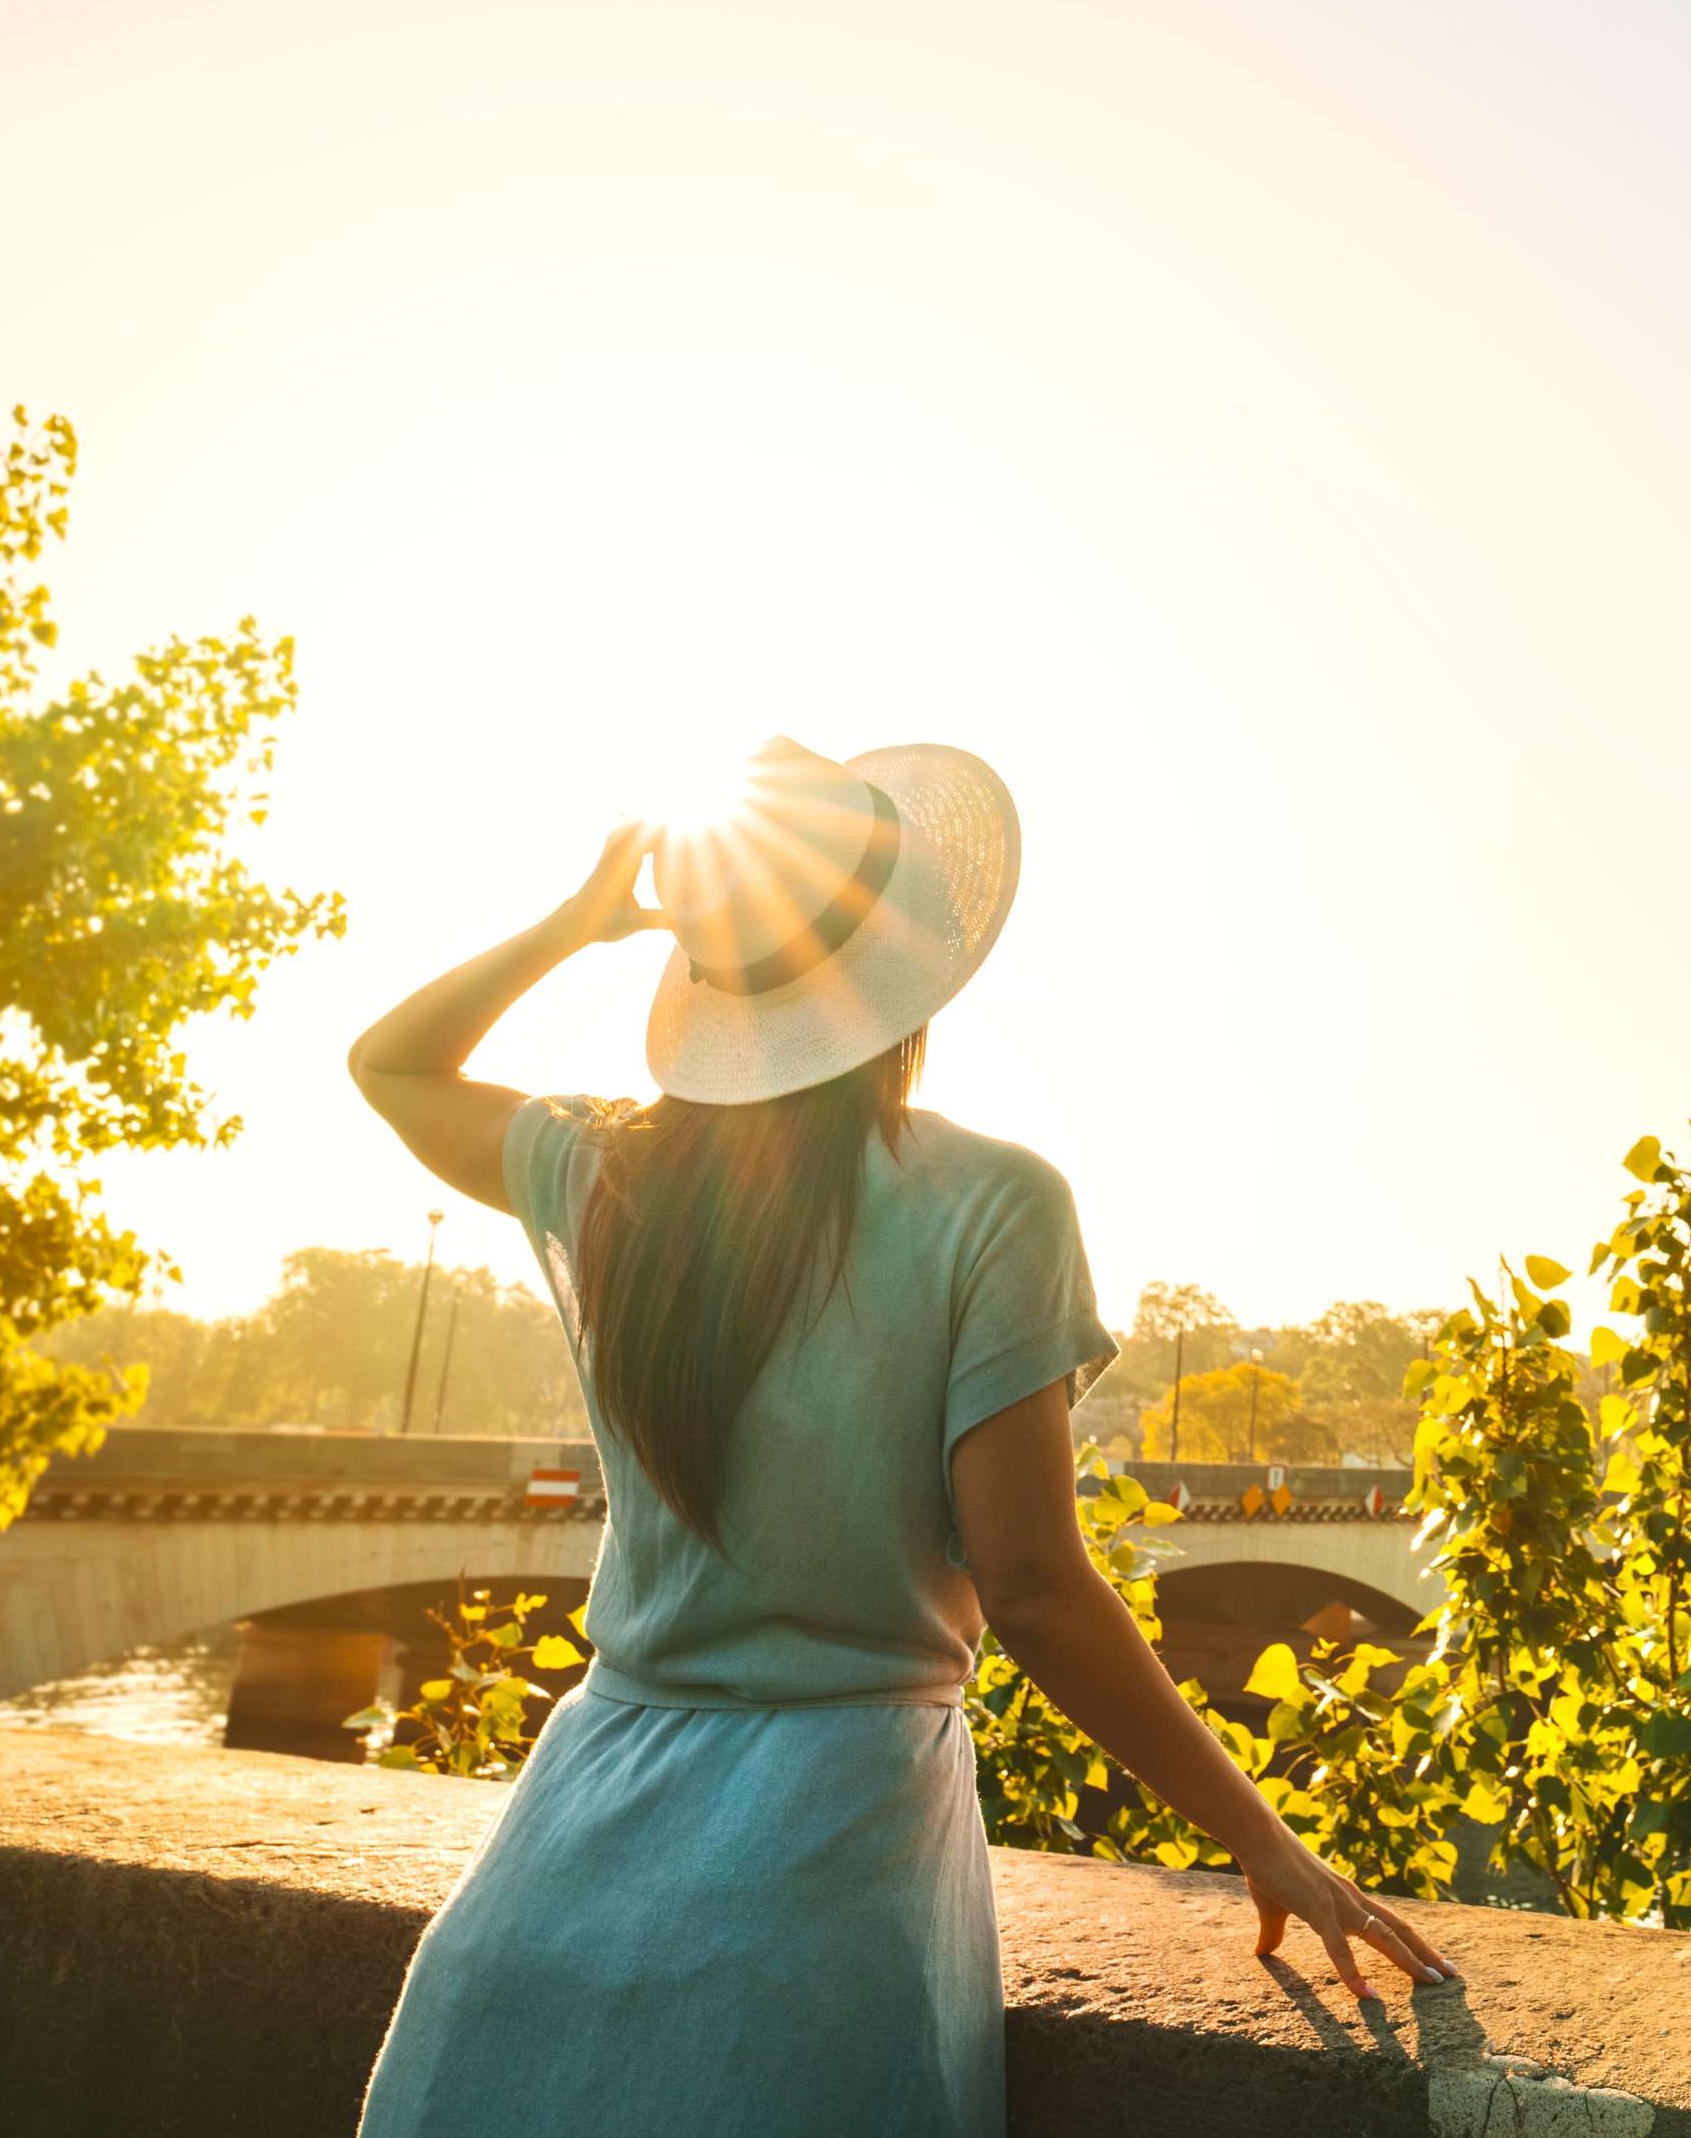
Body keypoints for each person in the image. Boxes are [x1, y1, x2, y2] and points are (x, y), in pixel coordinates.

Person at [343, 736, 1451, 2136]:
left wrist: (580, 918)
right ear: (906, 976)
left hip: (559, 1868)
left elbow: (390, 1066)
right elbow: (1037, 1590)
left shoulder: (608, 1174)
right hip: (825, 1879)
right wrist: (1264, 1836)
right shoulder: (992, 1204)